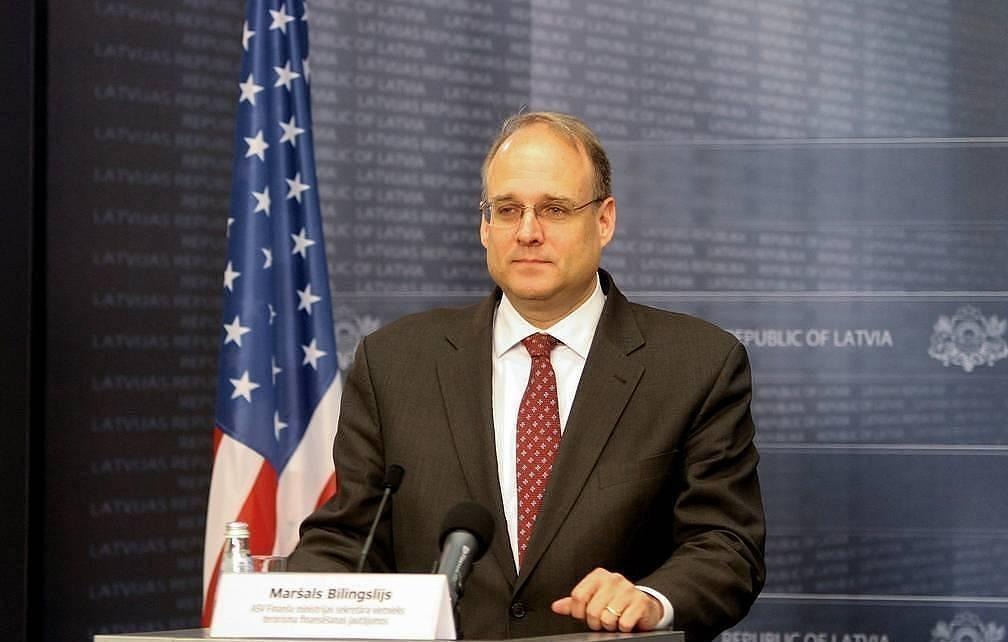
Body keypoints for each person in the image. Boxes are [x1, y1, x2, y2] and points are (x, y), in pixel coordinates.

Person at [287, 111, 765, 641]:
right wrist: (291, 604)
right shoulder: (395, 362)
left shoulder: (696, 364)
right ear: (484, 227)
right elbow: (349, 538)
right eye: (508, 210)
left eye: (555, 209)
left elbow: (725, 545)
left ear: (604, 220)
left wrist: (650, 600)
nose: (528, 232)